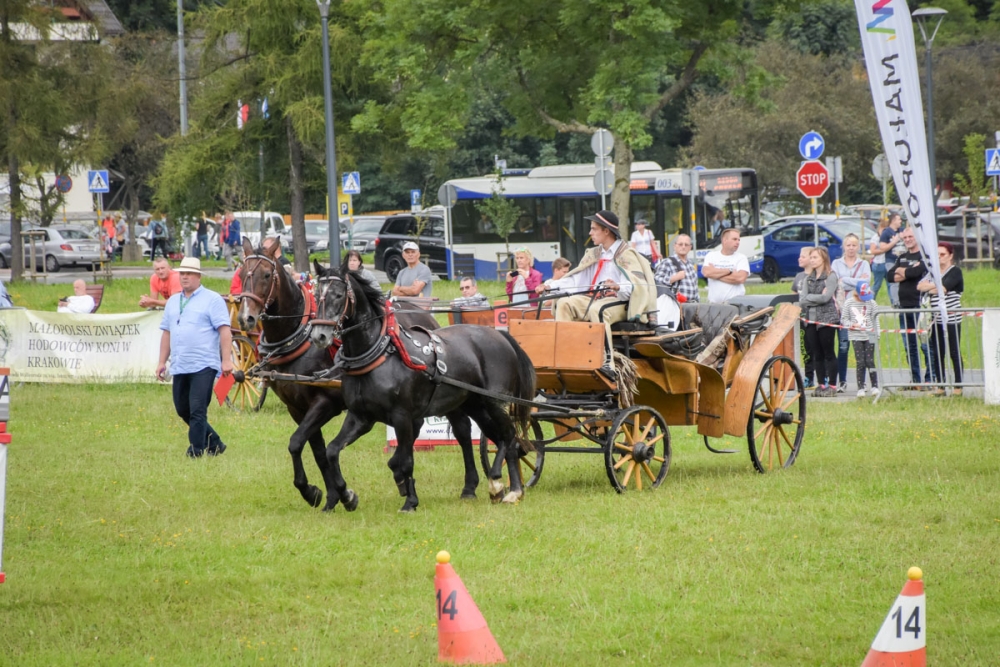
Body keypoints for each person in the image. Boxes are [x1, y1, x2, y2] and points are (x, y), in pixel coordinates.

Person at [156, 257, 233, 458]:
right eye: (182, 273)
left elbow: (225, 330)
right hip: (180, 364)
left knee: (198, 410)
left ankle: (196, 451)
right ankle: (214, 442)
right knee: (183, 409)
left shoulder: (212, 299)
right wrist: (162, 362)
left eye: (189, 273)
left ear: (198, 276)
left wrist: (226, 360)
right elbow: (167, 332)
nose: (185, 277)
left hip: (204, 364)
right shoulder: (173, 301)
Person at [539, 210, 656, 328]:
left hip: (619, 303)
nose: (590, 233)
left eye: (594, 229)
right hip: (593, 299)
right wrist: (550, 287)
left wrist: (618, 286)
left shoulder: (626, 254)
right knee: (564, 303)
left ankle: (605, 347)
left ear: (606, 231)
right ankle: (567, 345)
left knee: (597, 310)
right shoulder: (593, 254)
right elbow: (576, 281)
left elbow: (636, 286)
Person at [918, 242, 964, 397]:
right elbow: (920, 286)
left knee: (954, 351)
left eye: (942, 254)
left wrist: (933, 288)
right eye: (936, 255)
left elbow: (944, 289)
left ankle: (958, 385)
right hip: (936, 319)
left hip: (952, 318)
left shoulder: (955, 271)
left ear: (950, 255)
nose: (939, 258)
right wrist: (934, 286)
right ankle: (941, 385)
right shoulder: (934, 272)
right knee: (938, 352)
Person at [887, 226, 927, 388]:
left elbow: (916, 273)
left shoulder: (924, 256)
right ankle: (916, 380)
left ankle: (931, 379)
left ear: (917, 237)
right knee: (909, 345)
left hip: (920, 306)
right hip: (904, 306)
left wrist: (903, 272)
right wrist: (907, 271)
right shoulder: (902, 256)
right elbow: (890, 276)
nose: (908, 239)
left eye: (910, 236)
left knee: (925, 344)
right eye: (905, 237)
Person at [831, 233, 872, 392]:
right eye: (848, 245)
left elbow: (865, 283)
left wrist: (845, 280)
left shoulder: (864, 264)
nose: (851, 248)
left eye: (854, 245)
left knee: (862, 345)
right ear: (844, 246)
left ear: (858, 247)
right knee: (843, 346)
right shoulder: (836, 263)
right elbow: (835, 282)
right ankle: (842, 380)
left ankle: (864, 381)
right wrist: (855, 282)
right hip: (842, 309)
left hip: (859, 308)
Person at [799, 247, 839, 397]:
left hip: (827, 319)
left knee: (828, 352)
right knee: (817, 354)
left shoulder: (830, 276)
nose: (812, 260)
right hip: (811, 319)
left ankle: (833, 385)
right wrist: (814, 298)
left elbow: (826, 297)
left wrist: (811, 297)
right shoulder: (807, 278)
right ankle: (821, 384)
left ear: (823, 259)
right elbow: (802, 300)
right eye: (811, 257)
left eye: (815, 257)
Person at [841, 280, 880, 399]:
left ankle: (874, 385)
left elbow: (875, 320)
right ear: (856, 293)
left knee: (870, 360)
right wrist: (851, 324)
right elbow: (844, 319)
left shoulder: (872, 303)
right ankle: (861, 387)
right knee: (860, 361)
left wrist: (877, 336)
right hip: (856, 336)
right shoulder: (849, 303)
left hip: (869, 335)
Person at [702, 228, 749, 304]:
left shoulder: (741, 258)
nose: (737, 242)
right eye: (734, 239)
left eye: (738, 240)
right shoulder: (711, 256)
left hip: (735, 305)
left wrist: (715, 274)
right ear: (724, 240)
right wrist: (729, 271)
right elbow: (707, 273)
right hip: (714, 305)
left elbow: (740, 278)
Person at [791, 247, 815, 388]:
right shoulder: (799, 276)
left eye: (803, 256)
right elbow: (793, 295)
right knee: (805, 348)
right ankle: (808, 376)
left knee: (817, 348)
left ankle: (823, 377)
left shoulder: (817, 276)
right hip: (800, 317)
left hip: (814, 317)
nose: (799, 258)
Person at [653, 233, 699, 303]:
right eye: (680, 244)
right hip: (674, 306)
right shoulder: (667, 262)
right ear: (675, 246)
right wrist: (675, 278)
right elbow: (657, 280)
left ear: (690, 247)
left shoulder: (691, 265)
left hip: (692, 306)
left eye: (686, 245)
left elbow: (696, 288)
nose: (683, 247)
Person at [874, 213, 905, 306]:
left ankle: (903, 301)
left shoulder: (902, 231)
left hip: (903, 260)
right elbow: (882, 248)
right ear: (893, 220)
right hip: (891, 261)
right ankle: (896, 302)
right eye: (899, 219)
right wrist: (894, 241)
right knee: (894, 281)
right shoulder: (886, 232)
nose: (901, 221)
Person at [868, 216, 891, 300]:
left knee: (890, 284)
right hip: (879, 264)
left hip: (888, 262)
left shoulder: (889, 238)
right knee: (877, 284)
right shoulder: (876, 238)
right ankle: (870, 300)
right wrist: (885, 249)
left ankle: (894, 304)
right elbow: (873, 250)